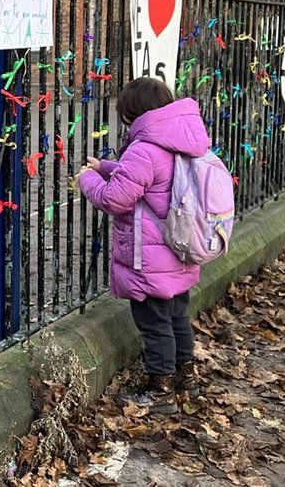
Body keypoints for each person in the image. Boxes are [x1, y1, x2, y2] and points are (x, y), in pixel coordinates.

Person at [77, 77, 210, 414]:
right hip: (180, 250)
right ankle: (186, 378)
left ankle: (161, 388)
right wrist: (107, 167)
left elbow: (116, 198)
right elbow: (152, 180)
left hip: (152, 257)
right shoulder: (181, 139)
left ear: (131, 113)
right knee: (178, 316)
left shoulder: (144, 148)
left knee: (154, 323)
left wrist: (88, 179)